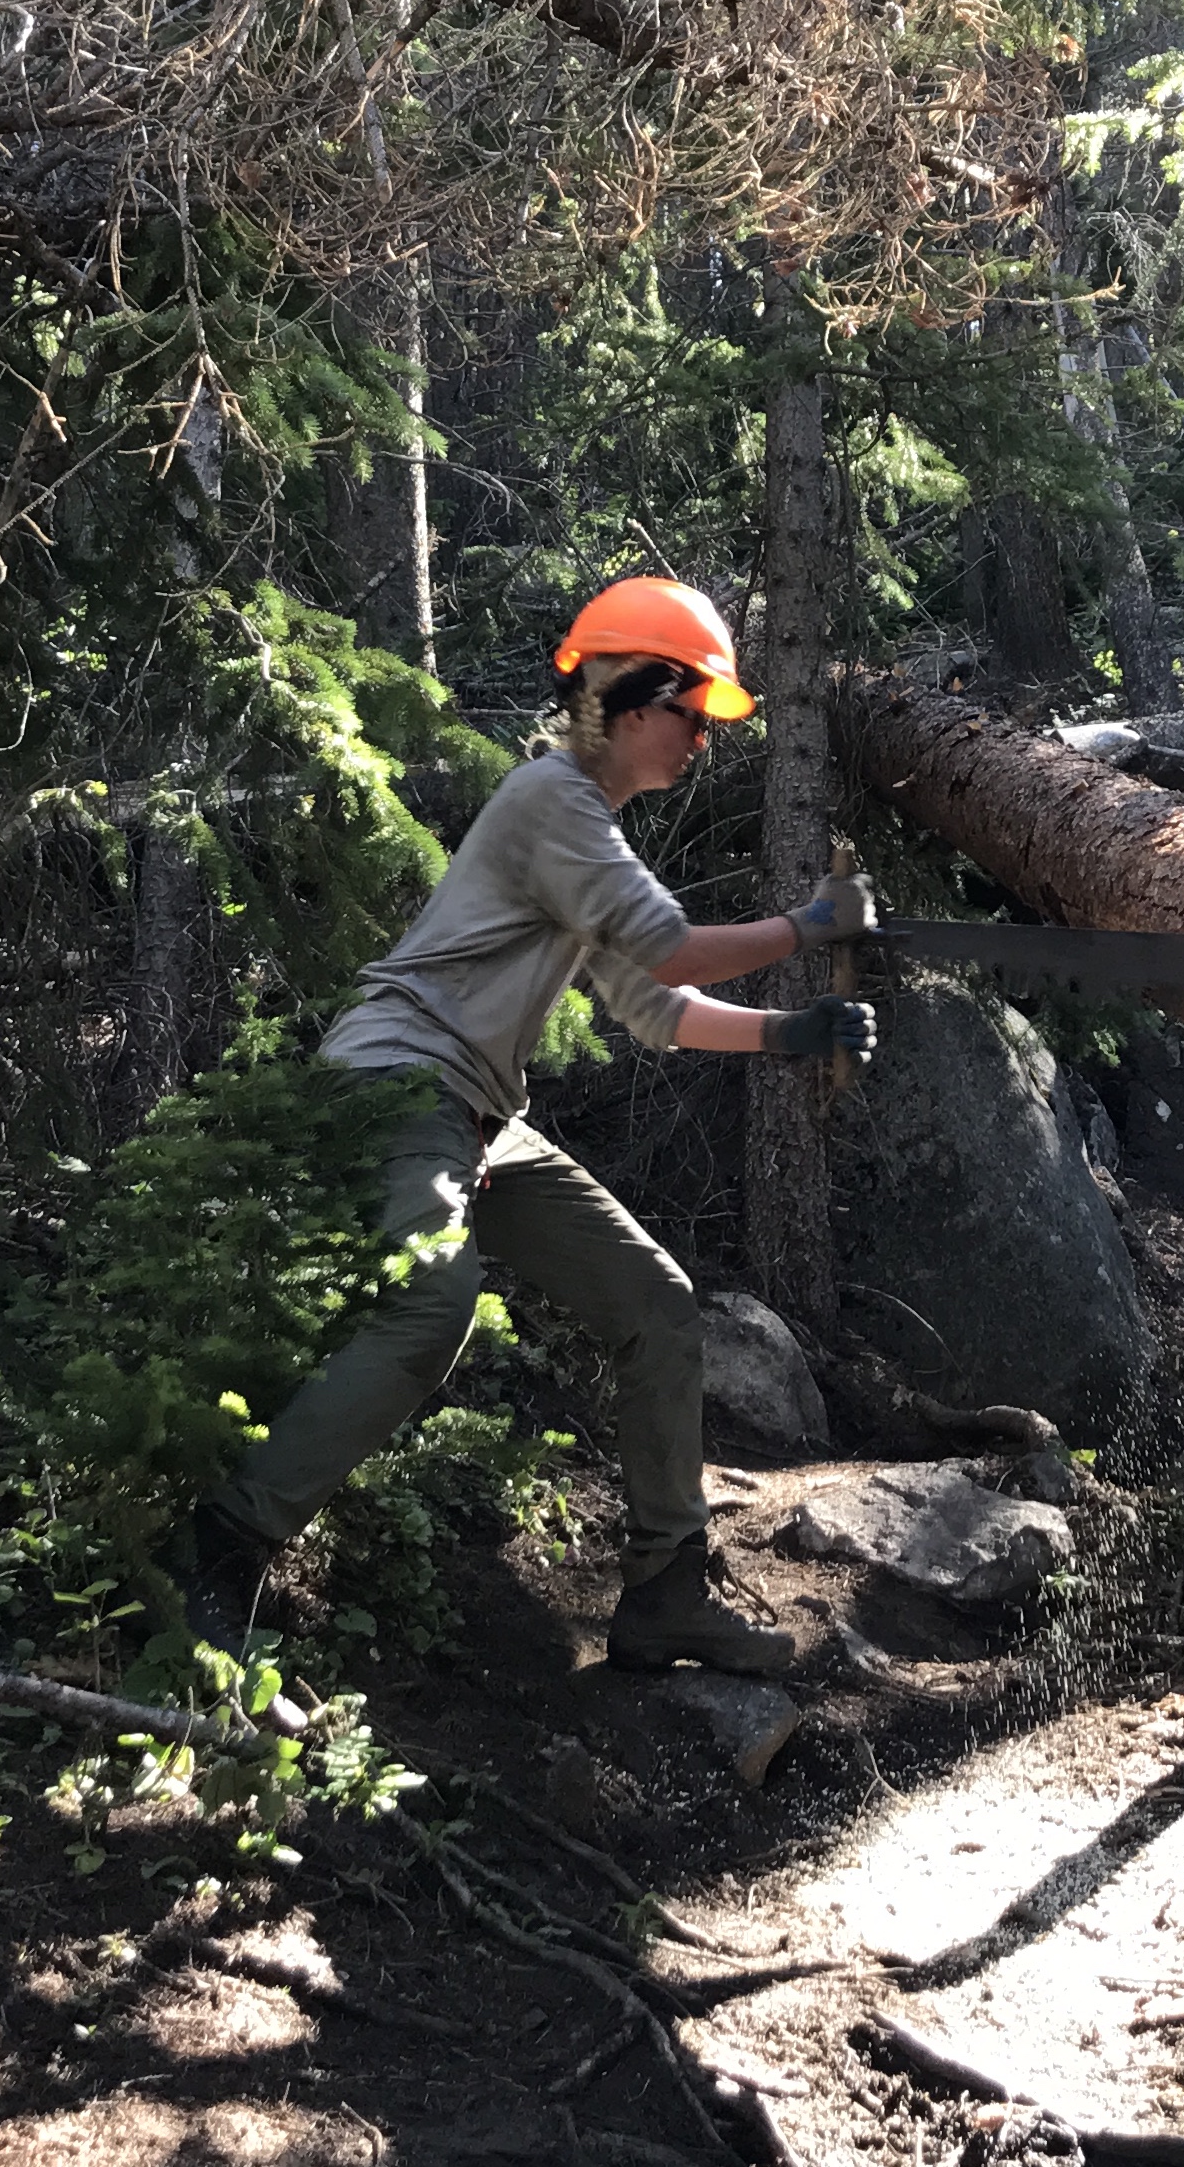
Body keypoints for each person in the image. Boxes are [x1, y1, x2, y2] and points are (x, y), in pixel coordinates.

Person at [174, 577, 877, 1678]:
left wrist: (790, 1032)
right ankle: (217, 1553)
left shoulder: (580, 835)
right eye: (691, 715)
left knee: (655, 1302)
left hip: (477, 1120)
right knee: (432, 1307)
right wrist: (808, 924)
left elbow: (655, 1008)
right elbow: (676, 951)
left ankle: (662, 1595)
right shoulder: (554, 801)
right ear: (627, 700)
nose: (701, 740)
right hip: (397, 1086)